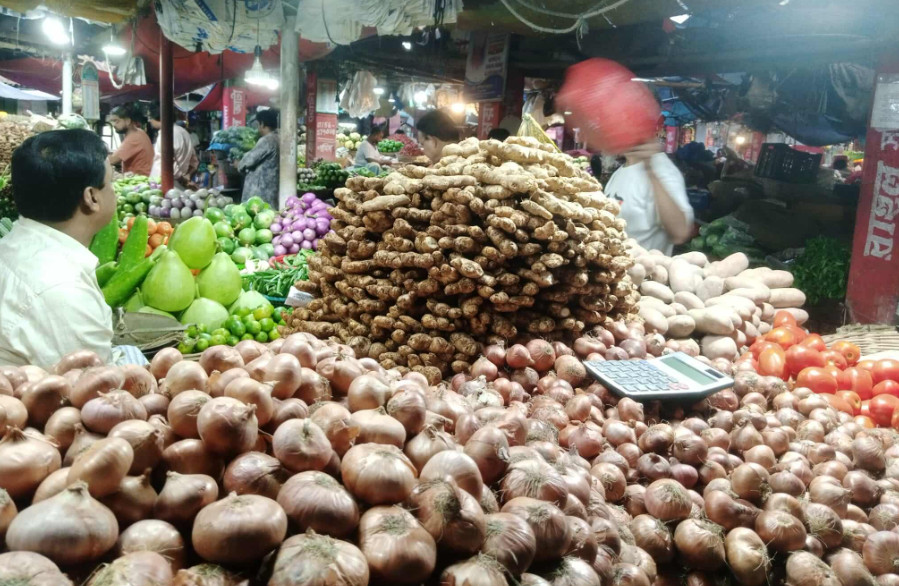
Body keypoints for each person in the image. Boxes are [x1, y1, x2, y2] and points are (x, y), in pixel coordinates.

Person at [0, 130, 117, 368]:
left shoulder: (12, 245)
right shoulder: (64, 293)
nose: (115, 191)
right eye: (112, 182)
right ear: (91, 198)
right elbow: (94, 391)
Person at [603, 141, 694, 255]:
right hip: (613, 267)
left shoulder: (662, 169)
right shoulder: (619, 173)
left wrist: (650, 170)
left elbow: (679, 232)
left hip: (643, 270)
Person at [147, 103, 199, 187]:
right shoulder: (184, 132)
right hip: (178, 184)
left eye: (149, 117)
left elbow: (168, 163)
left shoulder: (166, 135)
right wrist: (187, 176)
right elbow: (194, 161)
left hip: (166, 185)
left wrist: (182, 179)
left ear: (159, 117)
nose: (149, 120)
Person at [238, 109, 280, 208]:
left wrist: (239, 164)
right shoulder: (279, 138)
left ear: (262, 124)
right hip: (272, 188)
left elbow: (249, 160)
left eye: (258, 124)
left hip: (262, 191)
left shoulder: (267, 140)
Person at [108, 104, 154, 176]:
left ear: (128, 121)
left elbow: (112, 160)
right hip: (141, 177)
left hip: (140, 181)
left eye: (116, 121)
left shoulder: (133, 138)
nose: (113, 124)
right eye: (112, 121)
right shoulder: (139, 132)